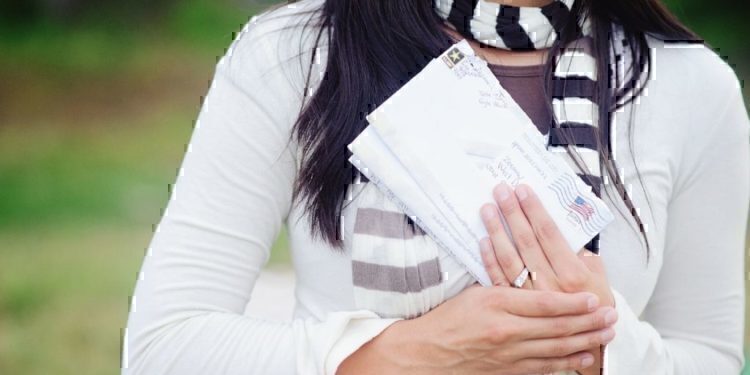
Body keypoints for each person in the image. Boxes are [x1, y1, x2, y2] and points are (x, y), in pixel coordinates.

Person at [121, 0, 750, 374]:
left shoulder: (691, 88)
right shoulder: (296, 55)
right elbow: (166, 349)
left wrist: (598, 342)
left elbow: (711, 358)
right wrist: (420, 351)